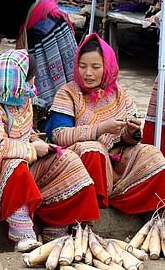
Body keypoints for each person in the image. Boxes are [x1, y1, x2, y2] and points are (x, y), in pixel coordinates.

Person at [0, 49, 99, 252]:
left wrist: (40, 143)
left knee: (68, 159)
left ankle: (56, 227)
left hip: (25, 166)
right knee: (14, 163)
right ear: (18, 80)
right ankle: (22, 233)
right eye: (31, 78)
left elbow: (27, 133)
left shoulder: (24, 102)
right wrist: (32, 148)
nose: (33, 83)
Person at [46, 33, 165, 215]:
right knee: (94, 150)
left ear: (107, 67)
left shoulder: (120, 93)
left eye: (96, 67)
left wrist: (131, 132)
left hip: (116, 160)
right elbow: (59, 135)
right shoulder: (68, 93)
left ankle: (135, 205)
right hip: (78, 160)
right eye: (82, 66)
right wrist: (100, 129)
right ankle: (91, 208)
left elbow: (129, 139)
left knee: (153, 155)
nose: (88, 73)